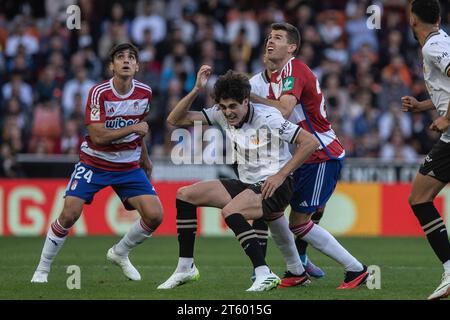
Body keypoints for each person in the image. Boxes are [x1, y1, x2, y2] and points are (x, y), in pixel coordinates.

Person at [158, 66, 320, 291]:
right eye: (223, 107)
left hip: (277, 185)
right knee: (185, 195)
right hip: (247, 183)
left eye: (233, 106)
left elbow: (310, 142)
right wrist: (196, 89)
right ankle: (186, 268)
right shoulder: (220, 114)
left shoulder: (268, 117)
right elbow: (175, 119)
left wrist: (281, 175)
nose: (227, 112)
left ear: (246, 101)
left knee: (231, 211)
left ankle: (264, 273)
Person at [31, 43, 163, 283]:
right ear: (111, 66)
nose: (126, 60)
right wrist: (133, 127)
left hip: (128, 166)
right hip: (95, 162)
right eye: (120, 57)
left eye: (131, 57)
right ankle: (42, 269)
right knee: (70, 213)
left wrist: (145, 158)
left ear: (137, 66)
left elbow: (139, 131)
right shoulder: (98, 92)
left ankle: (120, 252)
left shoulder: (145, 92)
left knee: (155, 216)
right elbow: (98, 135)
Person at [251, 22, 369, 289]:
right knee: (277, 211)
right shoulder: (280, 76)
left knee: (298, 222)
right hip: (304, 156)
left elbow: (282, 111)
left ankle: (356, 270)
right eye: (269, 37)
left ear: (291, 47)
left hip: (320, 154)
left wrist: (252, 98)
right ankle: (297, 268)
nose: (270, 41)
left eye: (278, 38)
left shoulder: (294, 69)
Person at [250, 52, 325, 279]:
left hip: (301, 148)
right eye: (267, 46)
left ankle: (301, 258)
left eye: (275, 41)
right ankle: (259, 269)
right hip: (269, 153)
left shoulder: (293, 76)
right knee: (264, 208)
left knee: (316, 207)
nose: (270, 49)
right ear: (264, 57)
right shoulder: (253, 84)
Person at [401, 0, 450, 300]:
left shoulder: (434, 47)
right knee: (420, 198)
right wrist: (423, 106)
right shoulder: (440, 41)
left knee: (419, 198)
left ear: (412, 19)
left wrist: (446, 117)